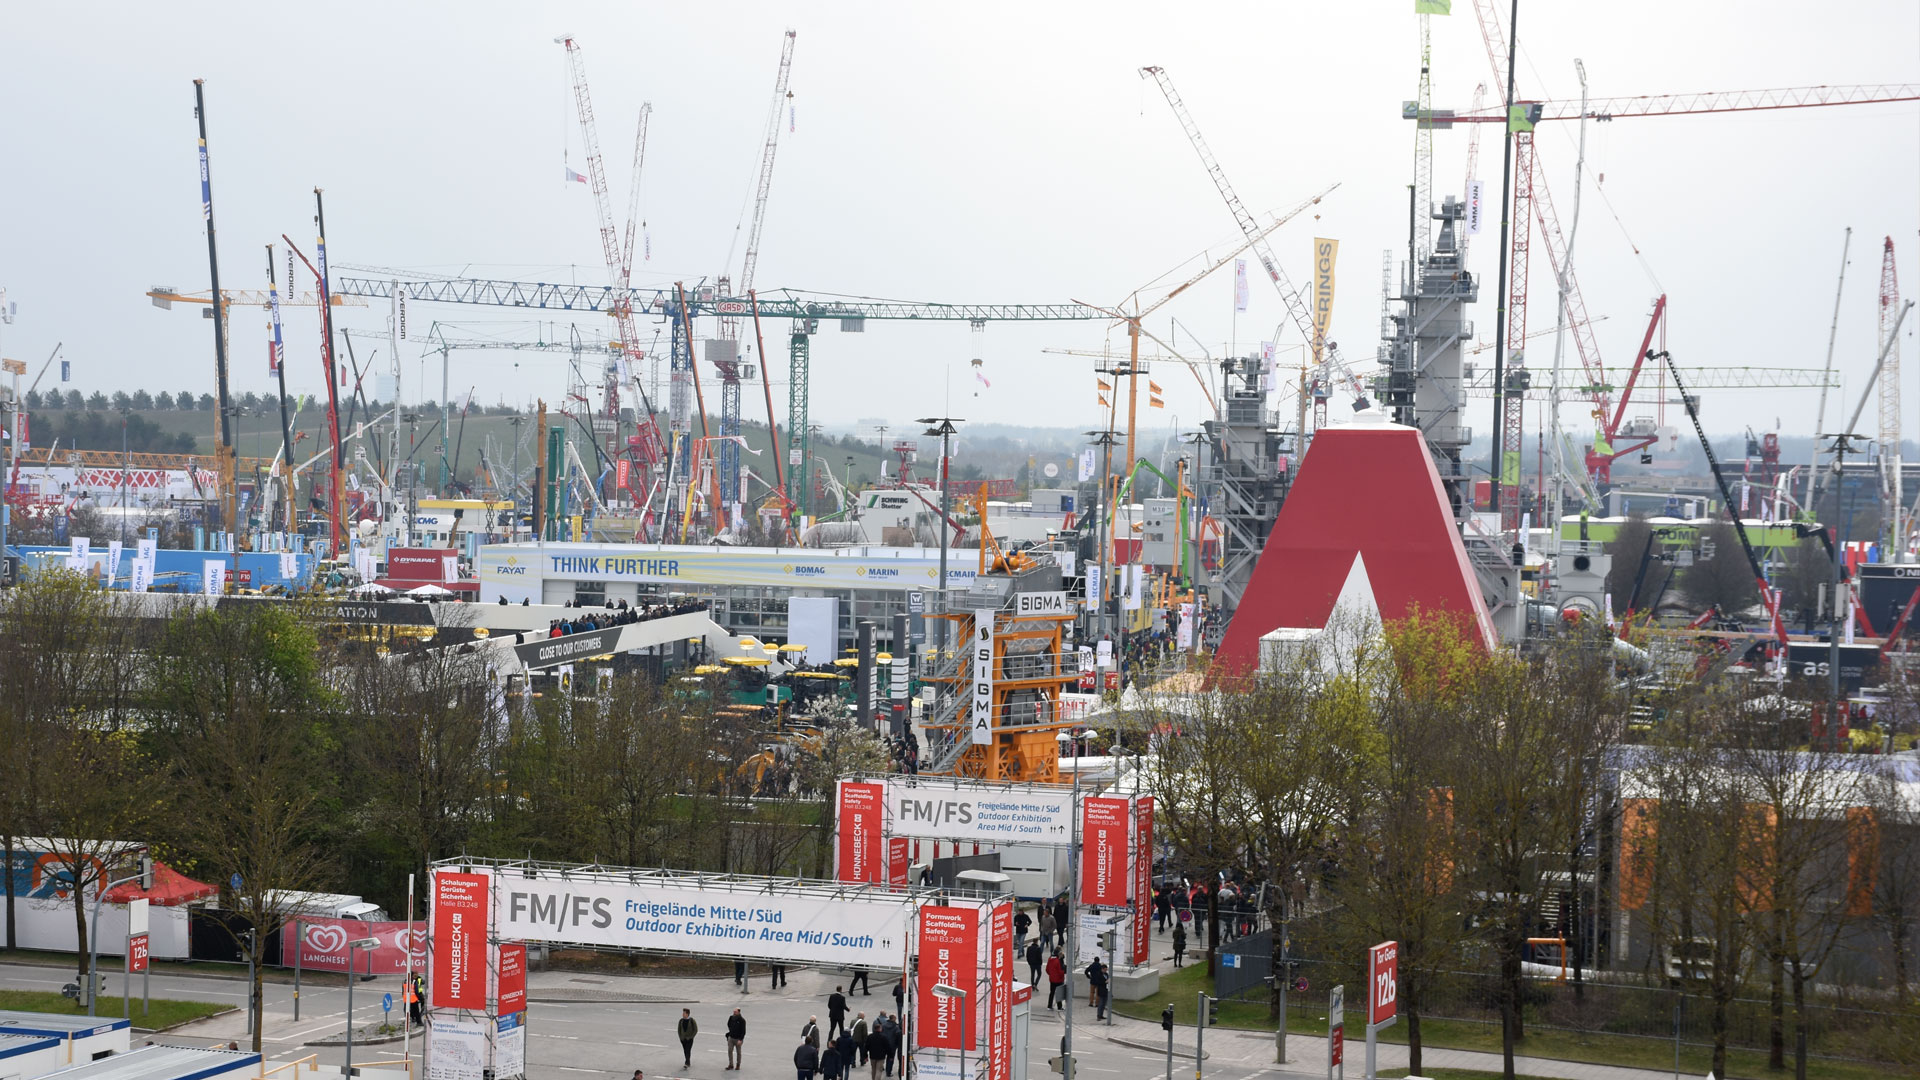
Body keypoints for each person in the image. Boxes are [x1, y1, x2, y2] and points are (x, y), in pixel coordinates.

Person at [864, 1014, 890, 1080]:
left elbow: (866, 1047)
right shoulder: (883, 1037)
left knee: (873, 1069)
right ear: (880, 1029)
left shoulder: (870, 1037)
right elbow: (887, 1047)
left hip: (872, 1056)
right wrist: (890, 1055)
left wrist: (865, 1056)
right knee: (879, 1070)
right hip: (881, 1056)